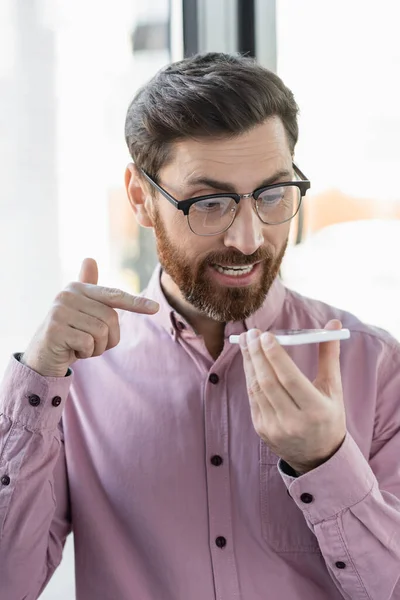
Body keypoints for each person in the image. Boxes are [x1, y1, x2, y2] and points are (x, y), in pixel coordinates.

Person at [0, 52, 399, 600]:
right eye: (209, 203)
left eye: (273, 195)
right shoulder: (73, 380)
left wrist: (326, 463)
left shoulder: (376, 368)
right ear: (141, 198)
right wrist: (37, 382)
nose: (248, 239)